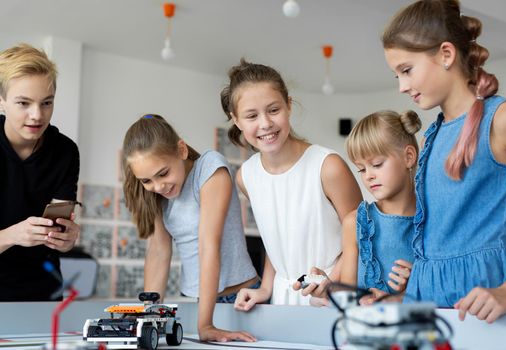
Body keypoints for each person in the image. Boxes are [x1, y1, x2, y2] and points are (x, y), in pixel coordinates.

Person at [382, 0, 506, 322]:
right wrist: (415, 278)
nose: (403, 86)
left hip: (487, 306)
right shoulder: (430, 137)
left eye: (407, 70)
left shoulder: (505, 119)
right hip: (426, 306)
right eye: (396, 76)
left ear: (446, 55)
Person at [220, 59, 363, 309]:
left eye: (273, 110)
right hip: (282, 299)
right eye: (251, 115)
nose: (265, 123)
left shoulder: (327, 166)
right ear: (236, 120)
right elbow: (276, 240)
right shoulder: (246, 176)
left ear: (288, 105)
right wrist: (265, 288)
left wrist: (332, 282)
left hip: (332, 297)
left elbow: (363, 236)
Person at [122, 114, 258, 342]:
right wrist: (148, 318)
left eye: (163, 173)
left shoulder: (210, 167)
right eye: (146, 181)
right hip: (204, 303)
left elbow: (208, 244)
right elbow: (158, 252)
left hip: (241, 299)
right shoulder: (158, 195)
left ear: (182, 150)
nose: (158, 186)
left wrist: (205, 325)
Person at [0, 44, 80, 301]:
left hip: (44, 293)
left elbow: (58, 223)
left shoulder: (66, 151)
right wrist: (13, 235)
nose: (37, 116)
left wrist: (67, 239)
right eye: (24, 103)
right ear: (1, 102)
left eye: (46, 103)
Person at [341, 110, 420, 305]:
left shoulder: (434, 220)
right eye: (361, 169)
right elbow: (345, 298)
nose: (368, 176)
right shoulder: (354, 223)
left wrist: (417, 282)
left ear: (409, 157)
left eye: (377, 164)